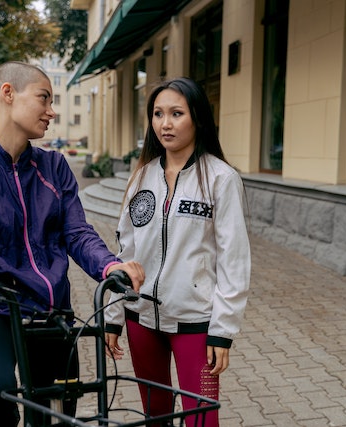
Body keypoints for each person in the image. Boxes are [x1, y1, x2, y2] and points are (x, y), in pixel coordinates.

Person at [0, 61, 144, 427]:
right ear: (8, 93)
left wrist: (110, 266)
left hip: (52, 312)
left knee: (58, 415)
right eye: (44, 98)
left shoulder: (54, 167)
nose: (52, 111)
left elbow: (77, 233)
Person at [104, 77, 251, 427]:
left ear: (197, 118)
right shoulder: (140, 177)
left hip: (195, 324)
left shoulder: (220, 178)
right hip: (141, 319)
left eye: (176, 113)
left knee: (202, 419)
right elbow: (125, 250)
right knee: (155, 416)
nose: (165, 124)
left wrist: (223, 330)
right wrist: (113, 316)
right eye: (157, 114)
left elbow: (235, 259)